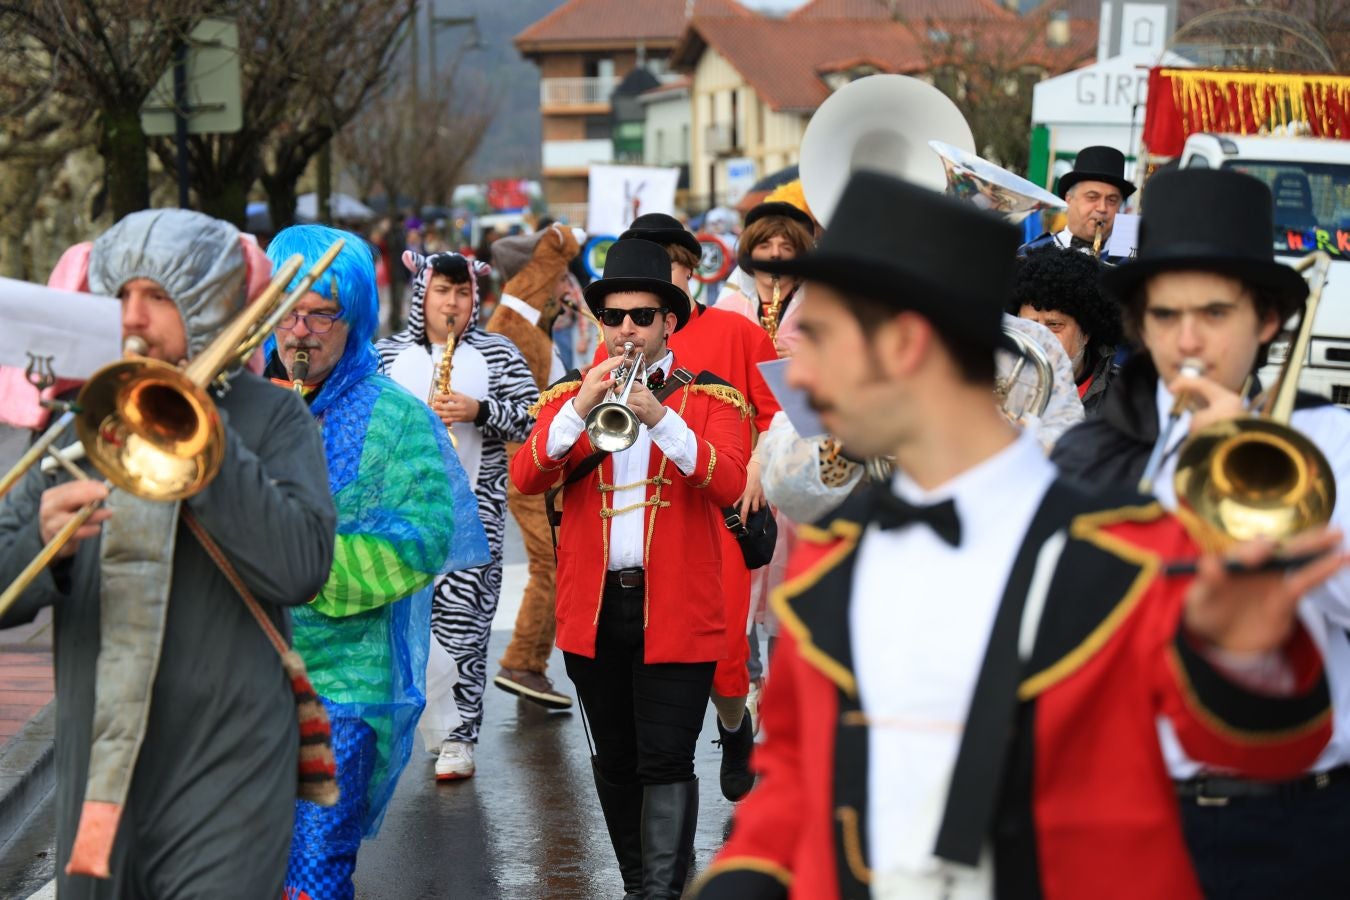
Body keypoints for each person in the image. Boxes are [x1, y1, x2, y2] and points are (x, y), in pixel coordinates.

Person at [692, 170, 1342, 900]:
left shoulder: (1137, 551)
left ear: (906, 344)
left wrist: (1248, 656)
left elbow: (1249, 747)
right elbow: (790, 801)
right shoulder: (823, 572)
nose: (797, 369)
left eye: (823, 335)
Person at [0, 209, 337, 897]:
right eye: (121, 296)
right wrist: (43, 542)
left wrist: (202, 442)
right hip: (100, 769)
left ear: (207, 302)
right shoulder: (81, 417)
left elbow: (302, 568)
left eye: (157, 296)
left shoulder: (273, 417)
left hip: (231, 762)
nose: (134, 316)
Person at [1051, 167, 1350, 899]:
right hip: (1134, 818)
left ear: (1268, 321)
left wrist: (1250, 456)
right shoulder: (1095, 455)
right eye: (1165, 316)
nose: (1187, 341)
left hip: (1302, 819)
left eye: (1215, 313)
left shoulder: (1330, 441)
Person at [511, 239, 749, 899]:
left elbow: (731, 483)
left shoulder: (712, 399)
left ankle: (660, 894)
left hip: (678, 607)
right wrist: (579, 409)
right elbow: (527, 475)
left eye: (642, 317)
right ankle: (638, 883)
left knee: (667, 758)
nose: (626, 330)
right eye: (614, 317)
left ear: (669, 321)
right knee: (616, 761)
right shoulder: (569, 395)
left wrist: (661, 418)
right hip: (594, 611)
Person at [263, 225, 489, 900]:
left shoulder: (395, 418)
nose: (299, 332)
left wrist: (297, 562)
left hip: (344, 686)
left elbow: (421, 539)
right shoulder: (240, 406)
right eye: (285, 310)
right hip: (241, 677)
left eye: (320, 313)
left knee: (314, 869)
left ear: (354, 316)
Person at [612, 212, 783, 801]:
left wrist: (757, 466)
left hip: (719, 517)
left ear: (691, 272)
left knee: (726, 652)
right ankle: (664, 783)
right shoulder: (624, 338)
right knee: (647, 656)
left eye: (669, 268)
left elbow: (779, 410)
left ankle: (735, 725)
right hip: (637, 528)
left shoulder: (739, 332)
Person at [376, 250, 537, 781]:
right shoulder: (384, 354)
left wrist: (480, 411)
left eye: (462, 293)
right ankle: (432, 725)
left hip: (475, 514)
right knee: (404, 626)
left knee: (465, 629)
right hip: (399, 517)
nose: (452, 303)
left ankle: (460, 736)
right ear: (421, 294)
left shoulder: (497, 351)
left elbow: (535, 418)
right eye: (441, 291)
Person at [486, 225, 584, 711]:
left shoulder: (532, 325)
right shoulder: (510, 326)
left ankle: (530, 663)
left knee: (562, 559)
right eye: (562, 279)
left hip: (542, 460)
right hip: (523, 462)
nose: (569, 290)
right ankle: (523, 662)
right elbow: (522, 410)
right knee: (551, 562)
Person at [1009, 245, 1123, 416]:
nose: (1039, 338)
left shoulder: (1126, 398)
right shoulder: (991, 388)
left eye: (1054, 325)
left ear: (1086, 333)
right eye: (1029, 325)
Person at [715, 201, 816, 353]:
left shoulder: (823, 309)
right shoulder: (725, 311)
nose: (775, 254)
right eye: (764, 246)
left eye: (786, 247)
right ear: (749, 254)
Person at [1019, 145, 1135, 265]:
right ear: (1069, 199)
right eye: (1092, 197)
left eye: (1112, 200)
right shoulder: (1032, 254)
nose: (1102, 208)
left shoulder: (1131, 263)